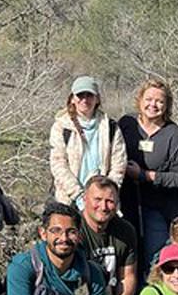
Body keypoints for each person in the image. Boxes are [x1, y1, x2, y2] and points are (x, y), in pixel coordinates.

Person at [119, 79, 178, 269]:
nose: (153, 105)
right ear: (140, 100)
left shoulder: (173, 134)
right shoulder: (127, 124)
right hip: (126, 205)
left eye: (159, 101)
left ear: (167, 105)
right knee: (126, 260)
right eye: (149, 99)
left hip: (159, 209)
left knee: (152, 260)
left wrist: (145, 175)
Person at [77, 176, 138, 295]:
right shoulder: (74, 230)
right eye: (97, 200)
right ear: (85, 199)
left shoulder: (126, 231)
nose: (103, 207)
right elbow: (72, 285)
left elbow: (128, 276)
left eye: (110, 201)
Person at [49, 76, 126, 208]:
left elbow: (119, 164)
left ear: (97, 99)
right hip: (70, 200)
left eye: (89, 95)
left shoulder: (111, 127)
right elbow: (58, 164)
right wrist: (79, 195)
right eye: (80, 95)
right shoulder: (61, 127)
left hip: (102, 204)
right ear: (72, 98)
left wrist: (106, 195)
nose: (84, 100)